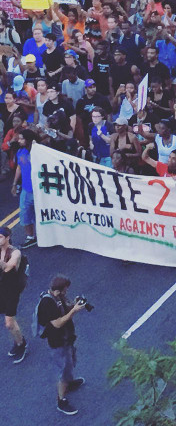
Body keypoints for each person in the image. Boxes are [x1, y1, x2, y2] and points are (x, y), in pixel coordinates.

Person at [36, 274, 87, 415]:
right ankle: (61, 400)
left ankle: (69, 384)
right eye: (65, 291)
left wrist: (74, 304)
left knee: (70, 362)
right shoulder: (47, 304)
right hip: (58, 342)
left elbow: (66, 308)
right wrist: (74, 311)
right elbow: (57, 323)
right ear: (57, 291)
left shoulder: (58, 297)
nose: (66, 293)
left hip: (67, 338)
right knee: (63, 371)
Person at [0, 226, 26, 364]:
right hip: (1, 288)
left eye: (0, 237)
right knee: (9, 321)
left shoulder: (15, 252)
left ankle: (21, 344)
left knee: (9, 323)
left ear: (7, 237)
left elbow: (8, 267)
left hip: (11, 290)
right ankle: (19, 340)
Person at [11, 130, 37, 248]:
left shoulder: (38, 151)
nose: (19, 140)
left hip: (39, 190)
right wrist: (14, 183)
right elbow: (19, 168)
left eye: (21, 138)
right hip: (26, 190)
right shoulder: (20, 152)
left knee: (41, 215)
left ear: (28, 139)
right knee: (25, 213)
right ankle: (30, 237)